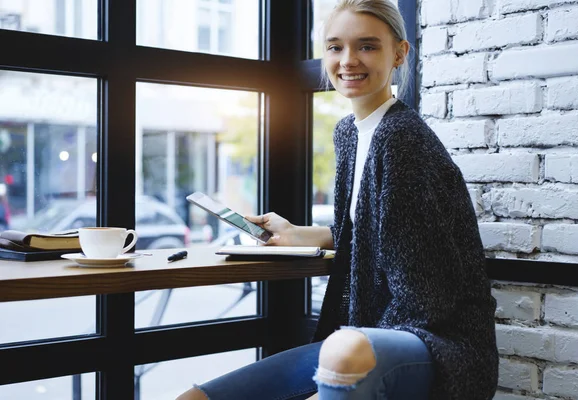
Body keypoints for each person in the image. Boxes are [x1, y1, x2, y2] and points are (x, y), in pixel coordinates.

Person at [176, 0, 498, 399]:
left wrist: (347, 362)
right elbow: (371, 231)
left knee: (343, 352)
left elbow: (427, 298)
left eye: (367, 46)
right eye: (334, 47)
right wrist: (297, 234)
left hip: (435, 344)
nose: (348, 60)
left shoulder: (402, 141)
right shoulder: (351, 132)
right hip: (364, 339)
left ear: (399, 53)